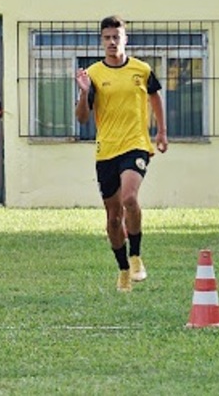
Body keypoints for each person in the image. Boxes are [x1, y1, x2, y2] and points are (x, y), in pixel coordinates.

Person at [75, 15, 168, 293]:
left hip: (136, 144)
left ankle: (136, 255)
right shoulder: (92, 74)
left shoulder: (141, 69)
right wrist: (83, 94)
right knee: (113, 219)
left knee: (129, 197)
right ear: (101, 41)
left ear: (125, 39)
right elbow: (82, 119)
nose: (112, 42)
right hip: (106, 152)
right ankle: (124, 270)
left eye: (117, 37)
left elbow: (155, 97)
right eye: (107, 38)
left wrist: (161, 132)